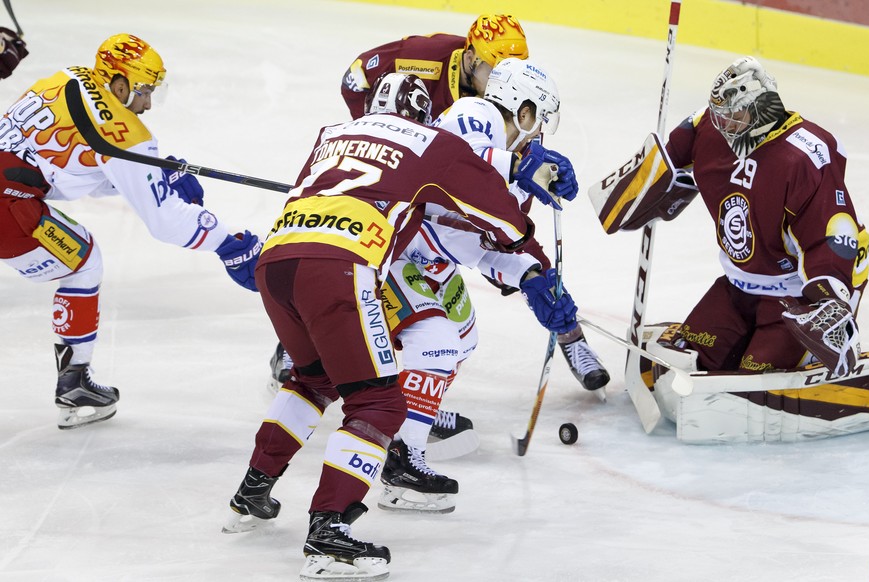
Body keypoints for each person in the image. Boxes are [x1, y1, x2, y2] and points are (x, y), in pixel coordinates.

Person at [223, 73, 576, 581]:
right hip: (341, 266)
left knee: (313, 381)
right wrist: (528, 238)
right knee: (378, 402)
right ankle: (329, 531)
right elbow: (500, 220)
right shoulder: (430, 139)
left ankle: (251, 492)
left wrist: (513, 171)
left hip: (277, 260)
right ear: (419, 115)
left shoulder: (332, 134)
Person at [376, 58, 605, 514]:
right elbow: (453, 165)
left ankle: (408, 413)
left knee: (462, 337)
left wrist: (530, 276)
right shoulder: (474, 115)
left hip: (434, 261)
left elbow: (478, 242)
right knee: (435, 343)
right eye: (539, 119)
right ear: (522, 110)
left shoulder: (515, 169)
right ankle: (402, 457)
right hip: (395, 251)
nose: (540, 132)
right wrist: (518, 161)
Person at [0, 33, 260, 429]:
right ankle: (73, 382)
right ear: (119, 84)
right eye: (143, 91)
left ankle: (74, 379)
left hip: (11, 190)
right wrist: (227, 242)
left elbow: (66, 166)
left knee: (82, 255)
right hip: (9, 206)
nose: (148, 103)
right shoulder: (126, 133)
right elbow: (166, 222)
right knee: (83, 264)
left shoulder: (66, 77)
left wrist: (151, 173)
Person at [614, 56, 869, 442]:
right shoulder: (710, 126)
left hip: (796, 298)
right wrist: (645, 185)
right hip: (738, 287)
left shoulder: (806, 154)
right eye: (720, 114)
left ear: (762, 108)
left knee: (750, 382)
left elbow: (833, 232)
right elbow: (669, 158)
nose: (724, 125)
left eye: (734, 116)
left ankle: (822, 342)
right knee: (685, 359)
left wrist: (829, 304)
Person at [341, 13, 528, 120]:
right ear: (470, 57)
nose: (505, 82)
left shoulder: (517, 88)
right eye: (495, 71)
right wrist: (370, 129)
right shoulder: (422, 56)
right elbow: (355, 77)